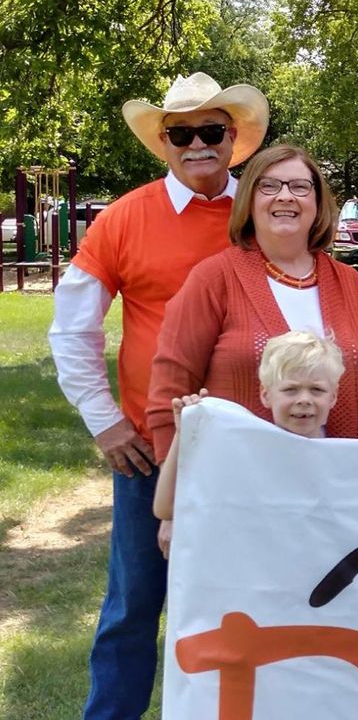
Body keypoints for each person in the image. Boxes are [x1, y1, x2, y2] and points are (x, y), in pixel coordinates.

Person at [46, 72, 268, 719]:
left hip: (250, 447)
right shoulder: (125, 218)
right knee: (133, 606)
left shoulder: (259, 210)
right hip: (152, 450)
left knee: (246, 606)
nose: (197, 143)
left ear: (233, 137)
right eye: (181, 132)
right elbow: (72, 326)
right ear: (164, 142)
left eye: (211, 130)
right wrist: (106, 423)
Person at [145, 144, 358, 463]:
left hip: (341, 488)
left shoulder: (348, 284)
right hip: (244, 488)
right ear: (249, 199)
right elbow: (170, 391)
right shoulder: (213, 279)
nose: (285, 196)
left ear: (317, 202)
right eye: (269, 185)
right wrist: (180, 486)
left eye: (300, 186)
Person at [154, 331, 346, 557]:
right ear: (266, 395)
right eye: (290, 389)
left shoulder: (344, 461)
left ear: (332, 397)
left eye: (317, 390)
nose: (304, 399)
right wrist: (184, 435)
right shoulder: (244, 455)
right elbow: (165, 506)